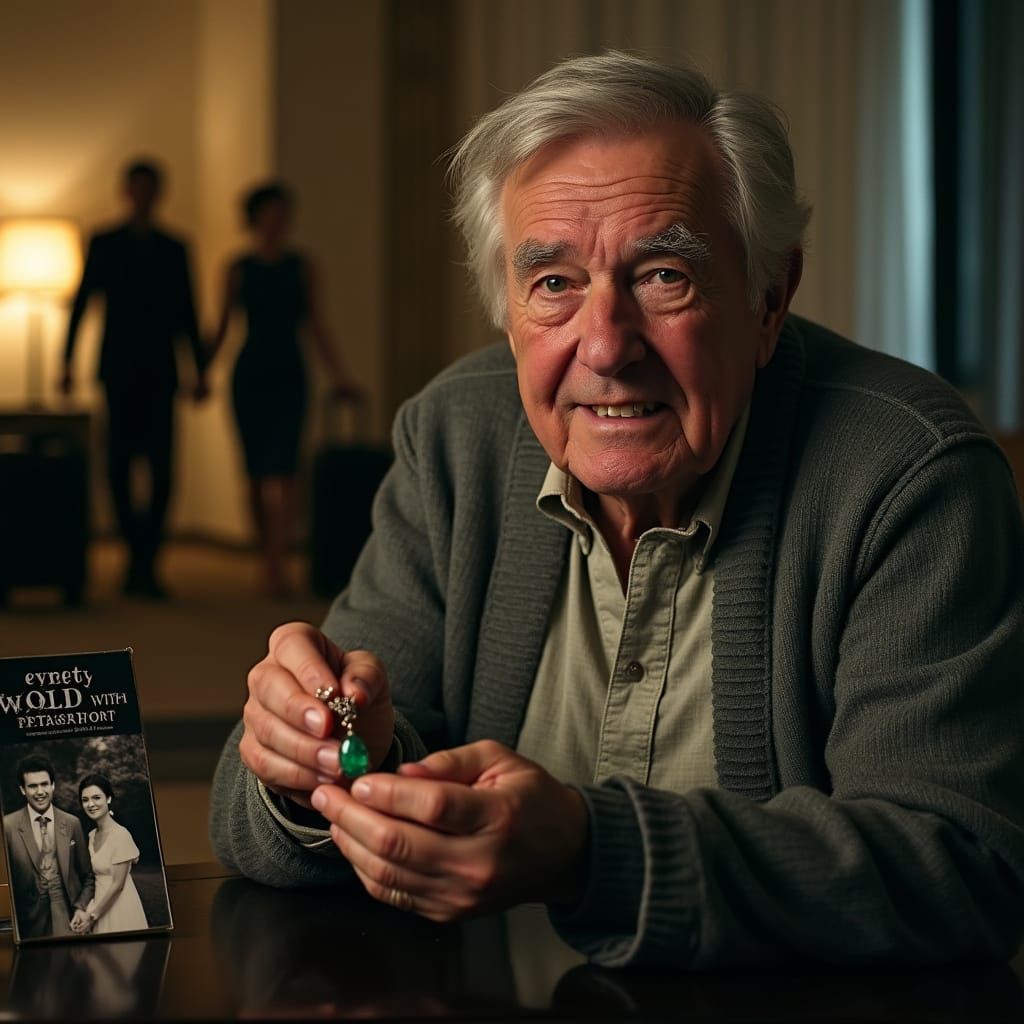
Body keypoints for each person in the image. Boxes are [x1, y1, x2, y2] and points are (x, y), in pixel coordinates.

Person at [209, 52, 1024, 966]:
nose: (605, 345)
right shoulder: (455, 437)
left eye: (664, 275)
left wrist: (593, 852)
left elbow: (966, 872)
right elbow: (292, 801)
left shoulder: (909, 472)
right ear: (508, 310)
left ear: (768, 299)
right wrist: (312, 761)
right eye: (553, 284)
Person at [62, 158, 209, 599]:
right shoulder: (104, 242)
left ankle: (148, 559)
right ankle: (133, 554)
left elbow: (188, 312)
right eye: (137, 188)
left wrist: (198, 369)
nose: (142, 195)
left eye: (149, 188)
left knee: (163, 470)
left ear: (158, 193)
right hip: (119, 370)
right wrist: (66, 360)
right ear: (126, 192)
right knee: (118, 466)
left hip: (161, 371)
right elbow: (83, 301)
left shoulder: (175, 247)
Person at [207, 182, 359, 597]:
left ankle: (277, 562)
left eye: (283, 212)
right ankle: (264, 557)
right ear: (255, 217)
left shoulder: (301, 265)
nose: (277, 220)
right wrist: (202, 371)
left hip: (290, 373)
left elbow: (317, 323)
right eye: (269, 212)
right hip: (250, 373)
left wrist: (338, 374)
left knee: (286, 471)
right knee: (255, 473)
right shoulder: (238, 268)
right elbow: (221, 326)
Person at [2, 755, 94, 939]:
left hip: (69, 917)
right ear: (22, 789)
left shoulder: (72, 823)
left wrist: (81, 907)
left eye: (44, 784)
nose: (40, 791)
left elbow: (88, 876)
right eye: (32, 786)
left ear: (53, 785)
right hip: (29, 922)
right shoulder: (7, 826)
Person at [73, 773, 149, 935]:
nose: (91, 804)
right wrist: (87, 909)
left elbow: (117, 885)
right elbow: (92, 877)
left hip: (119, 905)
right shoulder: (92, 835)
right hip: (99, 903)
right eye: (85, 800)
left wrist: (92, 917)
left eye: (96, 798)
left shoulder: (121, 835)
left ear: (108, 799)